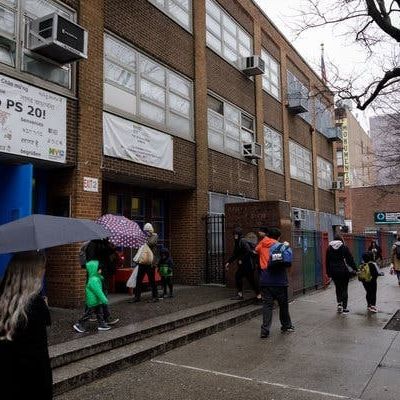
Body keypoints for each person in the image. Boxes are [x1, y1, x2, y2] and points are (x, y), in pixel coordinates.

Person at [0, 251, 53, 400]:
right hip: (28, 385)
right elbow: (39, 359)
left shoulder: (3, 301)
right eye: (42, 269)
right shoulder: (34, 306)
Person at [256, 227, 294, 338]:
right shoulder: (280, 246)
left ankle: (264, 331)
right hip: (279, 280)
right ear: (278, 237)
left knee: (267, 306)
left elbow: (255, 251)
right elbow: (288, 262)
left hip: (265, 279)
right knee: (283, 305)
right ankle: (286, 326)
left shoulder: (262, 244)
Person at [83, 239, 119, 326]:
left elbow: (105, 255)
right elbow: (92, 260)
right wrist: (99, 268)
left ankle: (100, 319)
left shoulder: (103, 243)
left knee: (99, 295)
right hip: (97, 274)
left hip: (102, 273)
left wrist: (112, 248)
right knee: (101, 295)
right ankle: (103, 318)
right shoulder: (93, 244)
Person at [73, 260, 111, 333]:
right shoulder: (94, 280)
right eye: (99, 269)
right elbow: (98, 291)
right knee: (88, 314)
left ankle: (102, 324)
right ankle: (79, 324)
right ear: (94, 270)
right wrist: (104, 299)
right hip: (93, 301)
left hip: (96, 301)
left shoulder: (95, 278)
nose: (100, 271)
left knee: (99, 313)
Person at [225, 227, 261, 301]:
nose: (235, 236)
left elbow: (248, 251)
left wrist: (242, 259)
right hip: (245, 265)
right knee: (242, 278)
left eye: (236, 234)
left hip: (248, 265)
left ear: (239, 234)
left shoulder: (242, 241)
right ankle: (256, 296)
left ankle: (256, 296)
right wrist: (228, 262)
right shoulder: (238, 242)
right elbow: (235, 254)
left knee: (248, 280)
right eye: (234, 234)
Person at [326, 234, 357, 314]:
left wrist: (328, 273)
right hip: (343, 271)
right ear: (341, 240)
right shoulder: (344, 248)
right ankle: (344, 308)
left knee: (338, 287)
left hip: (334, 271)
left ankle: (339, 304)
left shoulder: (329, 249)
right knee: (344, 288)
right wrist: (355, 269)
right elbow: (350, 259)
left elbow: (327, 262)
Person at [131, 223, 159, 302]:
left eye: (147, 231)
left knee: (152, 280)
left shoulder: (154, 236)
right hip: (142, 262)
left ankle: (155, 297)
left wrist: (145, 239)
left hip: (150, 262)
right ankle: (137, 297)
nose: (146, 232)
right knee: (139, 279)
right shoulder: (143, 237)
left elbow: (151, 243)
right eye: (145, 231)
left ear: (150, 230)